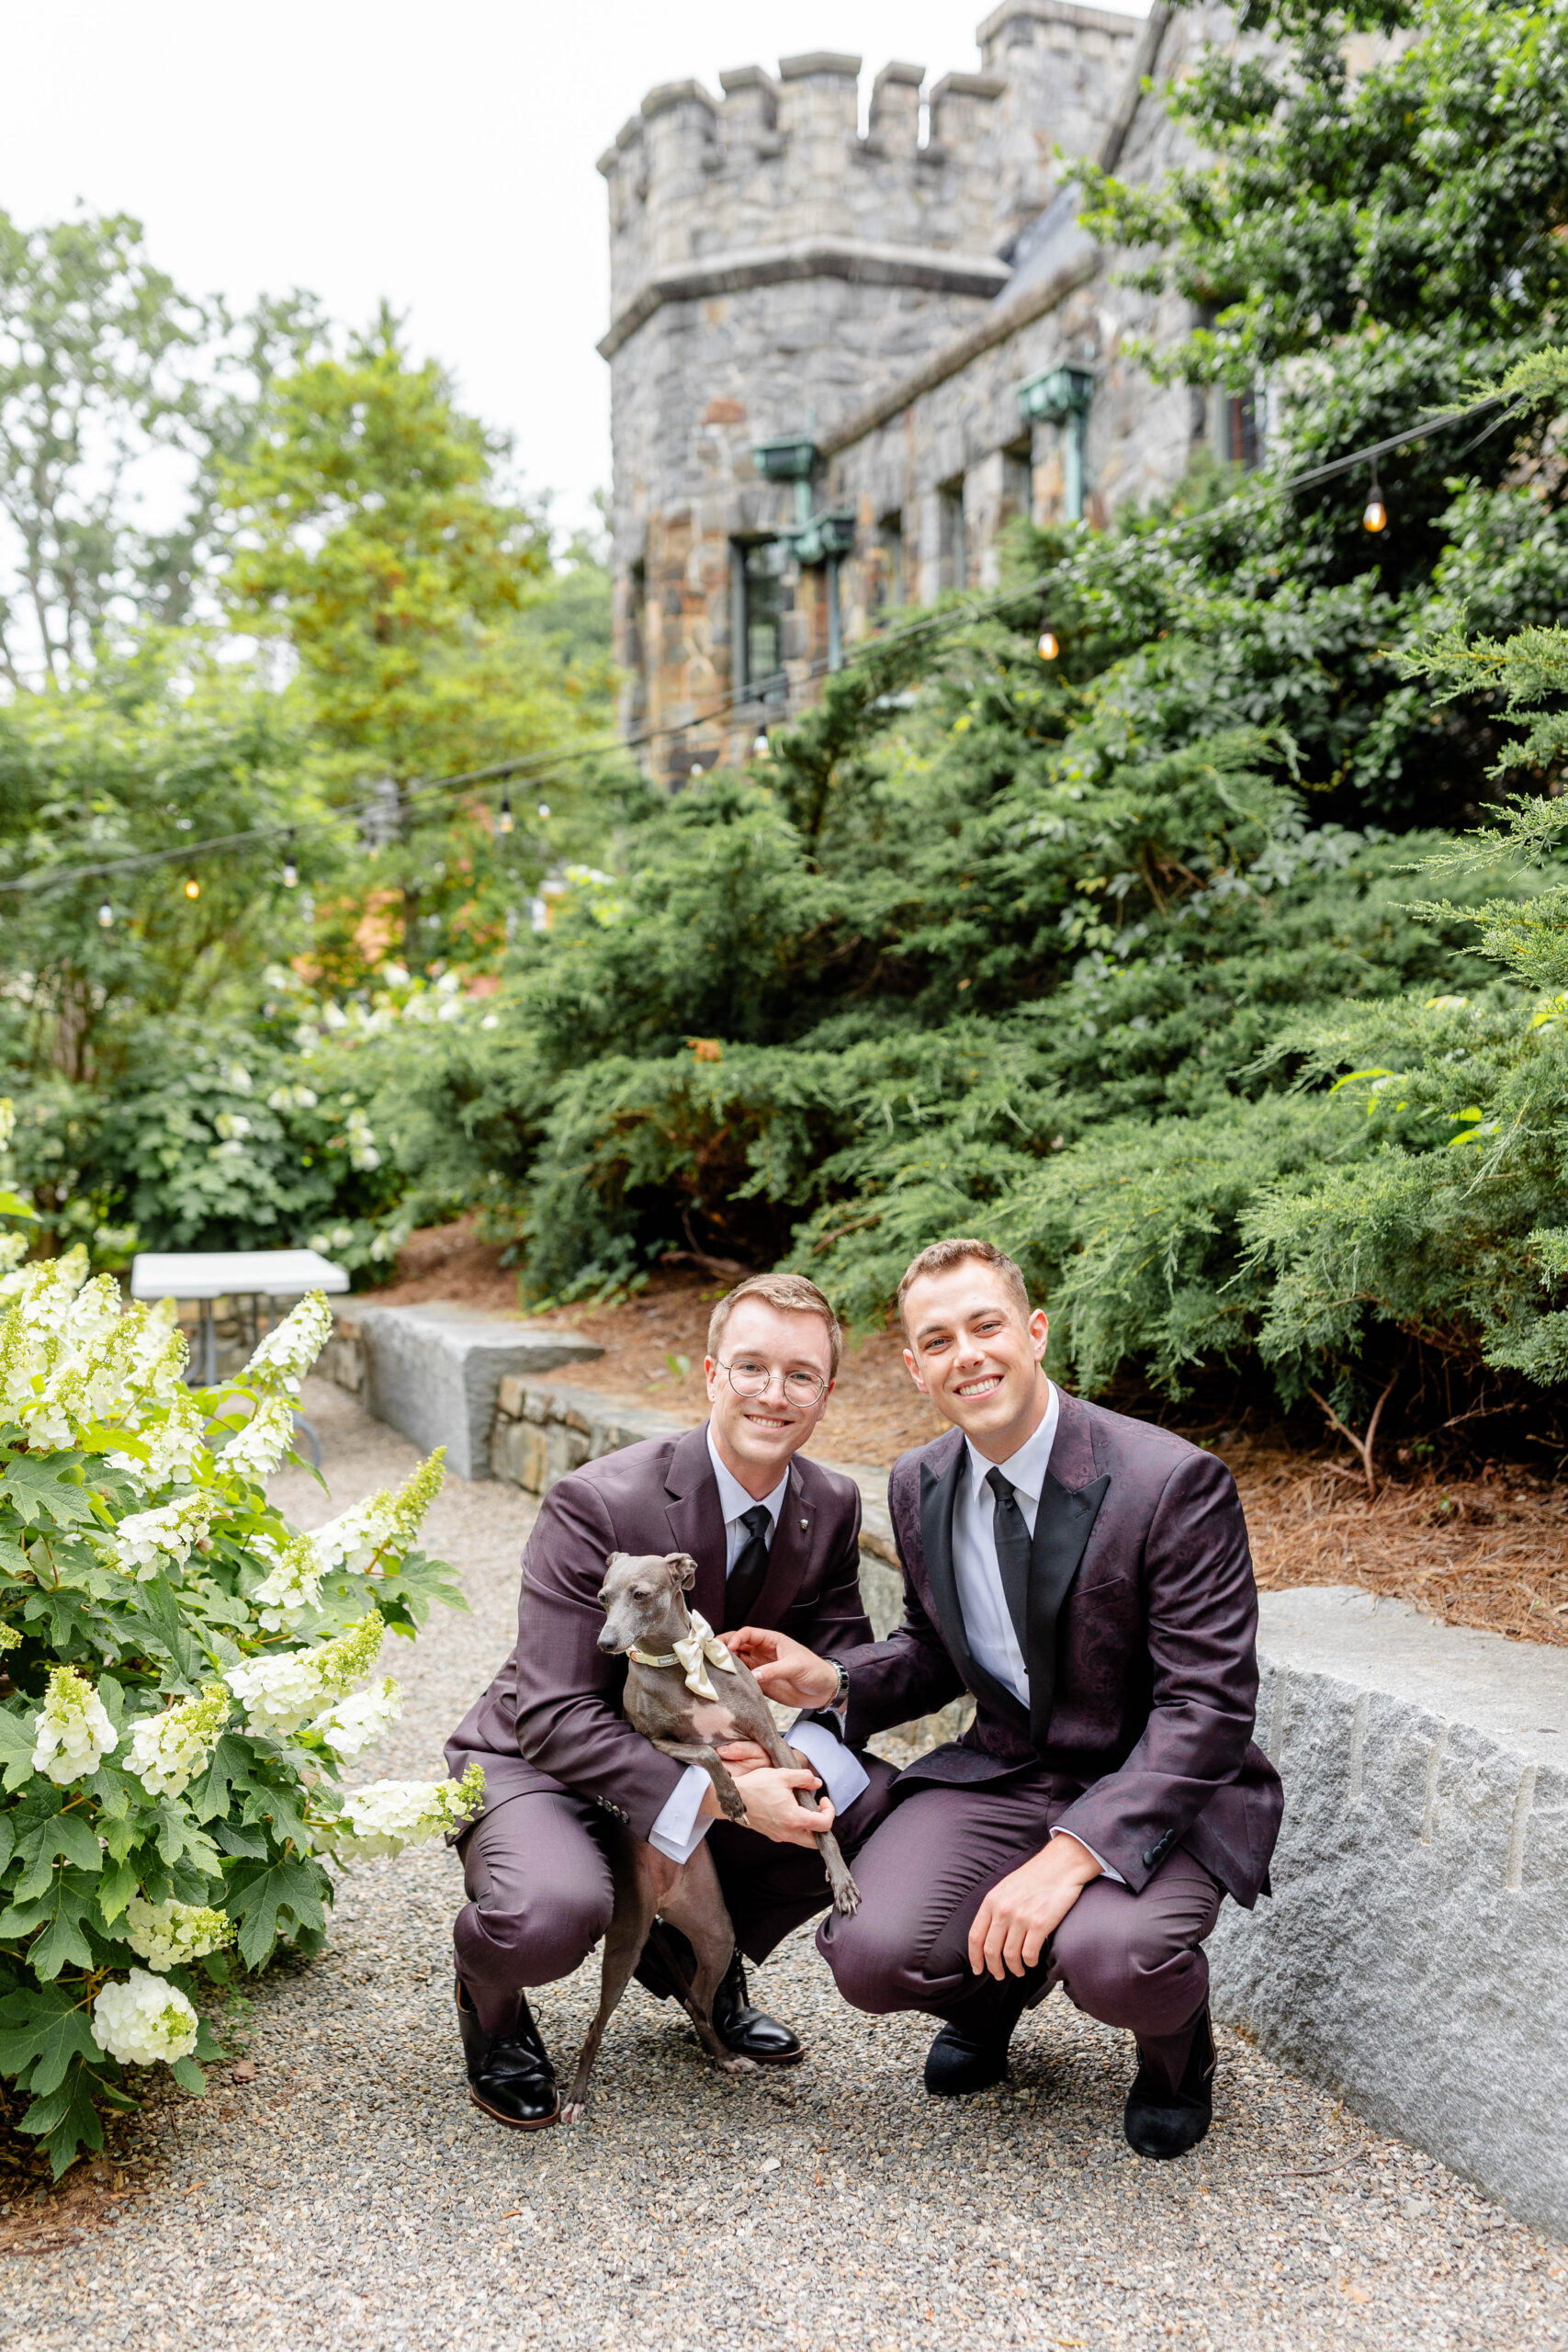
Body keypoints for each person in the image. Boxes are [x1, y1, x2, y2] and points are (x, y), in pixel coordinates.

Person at [728, 1238, 1283, 2160]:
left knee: (1112, 1958)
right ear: (915, 1368)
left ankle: (1179, 2055)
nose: (968, 1354)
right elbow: (941, 1648)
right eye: (938, 1340)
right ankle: (991, 1991)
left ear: (1034, 1331)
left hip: (1160, 1789)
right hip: (1011, 1769)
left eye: (987, 1326)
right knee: (869, 1952)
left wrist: (1072, 1855)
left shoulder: (1168, 1483)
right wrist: (838, 1680)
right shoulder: (918, 1481)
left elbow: (1208, 1708)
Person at [445, 1271, 897, 2129]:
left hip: (698, 1747)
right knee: (547, 1916)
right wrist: (722, 1797)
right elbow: (551, 1713)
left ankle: (696, 1957)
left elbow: (841, 1659)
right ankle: (489, 1998)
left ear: (826, 1393)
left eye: (800, 1375)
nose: (774, 1393)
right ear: (709, 1374)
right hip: (549, 1761)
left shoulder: (830, 1503)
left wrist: (806, 1742)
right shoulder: (599, 1502)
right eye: (750, 1368)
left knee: (861, 1798)